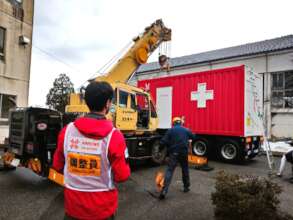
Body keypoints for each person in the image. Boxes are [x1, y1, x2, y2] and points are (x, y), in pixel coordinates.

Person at [53, 81, 131, 220]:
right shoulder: (114, 136)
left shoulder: (67, 131)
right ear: (107, 103)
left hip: (73, 208)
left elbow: (57, 166)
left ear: (87, 101)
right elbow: (122, 176)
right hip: (103, 210)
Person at [159, 117, 196, 200]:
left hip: (174, 153)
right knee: (185, 169)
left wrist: (160, 149)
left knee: (170, 170)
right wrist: (191, 133)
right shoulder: (186, 130)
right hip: (183, 153)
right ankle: (186, 187)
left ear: (173, 123)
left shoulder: (170, 131)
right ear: (180, 123)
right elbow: (193, 137)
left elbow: (163, 142)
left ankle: (164, 191)